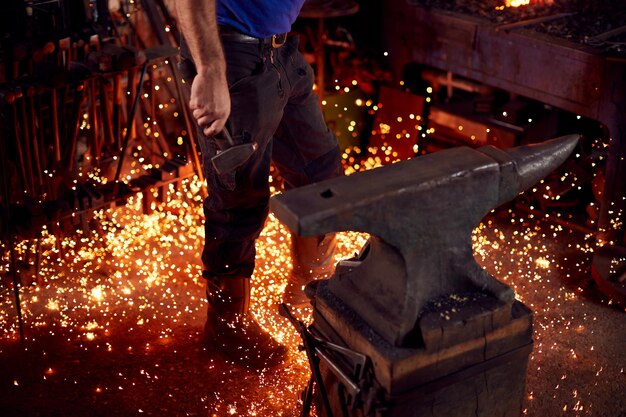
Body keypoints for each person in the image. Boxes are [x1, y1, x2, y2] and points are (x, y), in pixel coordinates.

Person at [175, 0, 342, 368]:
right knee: (240, 199)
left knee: (322, 175)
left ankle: (307, 291)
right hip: (230, 53)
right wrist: (211, 70)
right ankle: (226, 325)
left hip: (281, 51)